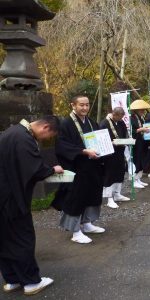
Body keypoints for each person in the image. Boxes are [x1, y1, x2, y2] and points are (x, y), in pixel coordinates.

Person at [0, 116, 62, 295]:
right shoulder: (24, 138)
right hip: (11, 199)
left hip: (2, 195)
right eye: (49, 136)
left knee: (4, 239)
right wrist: (52, 170)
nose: (44, 139)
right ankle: (30, 282)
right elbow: (35, 168)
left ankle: (12, 279)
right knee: (22, 238)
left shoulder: (11, 132)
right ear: (45, 127)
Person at [52, 95, 106, 244]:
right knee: (76, 197)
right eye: (81, 105)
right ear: (73, 105)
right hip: (76, 166)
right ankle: (75, 231)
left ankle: (87, 223)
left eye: (87, 105)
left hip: (92, 165)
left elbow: (99, 139)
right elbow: (62, 146)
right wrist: (84, 151)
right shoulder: (65, 124)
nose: (85, 108)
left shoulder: (91, 122)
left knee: (92, 194)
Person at [100, 107, 130, 209]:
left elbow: (125, 134)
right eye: (119, 117)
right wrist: (112, 142)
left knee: (120, 173)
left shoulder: (121, 122)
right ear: (114, 114)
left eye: (122, 117)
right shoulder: (104, 123)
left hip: (120, 152)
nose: (121, 119)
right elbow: (101, 138)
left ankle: (117, 194)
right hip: (109, 154)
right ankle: (109, 198)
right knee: (110, 175)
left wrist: (127, 140)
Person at [129, 99, 150, 189]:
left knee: (141, 159)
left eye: (143, 110)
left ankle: (138, 179)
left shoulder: (140, 118)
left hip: (141, 141)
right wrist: (141, 129)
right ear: (136, 110)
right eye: (141, 110)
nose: (143, 111)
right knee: (136, 160)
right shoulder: (131, 118)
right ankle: (133, 180)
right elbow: (131, 131)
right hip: (135, 141)